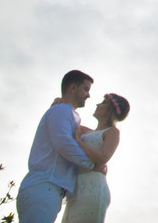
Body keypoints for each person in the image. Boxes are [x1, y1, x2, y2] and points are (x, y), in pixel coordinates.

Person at [16, 70, 97, 223]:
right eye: (86, 89)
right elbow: (63, 143)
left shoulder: (68, 114)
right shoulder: (62, 110)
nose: (88, 95)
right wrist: (91, 164)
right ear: (73, 88)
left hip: (47, 189)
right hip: (45, 186)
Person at [60, 92, 129, 223]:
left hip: (93, 188)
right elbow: (65, 121)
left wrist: (79, 142)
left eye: (103, 103)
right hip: (76, 189)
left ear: (111, 109)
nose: (98, 104)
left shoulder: (112, 132)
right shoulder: (86, 131)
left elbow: (103, 157)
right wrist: (59, 102)